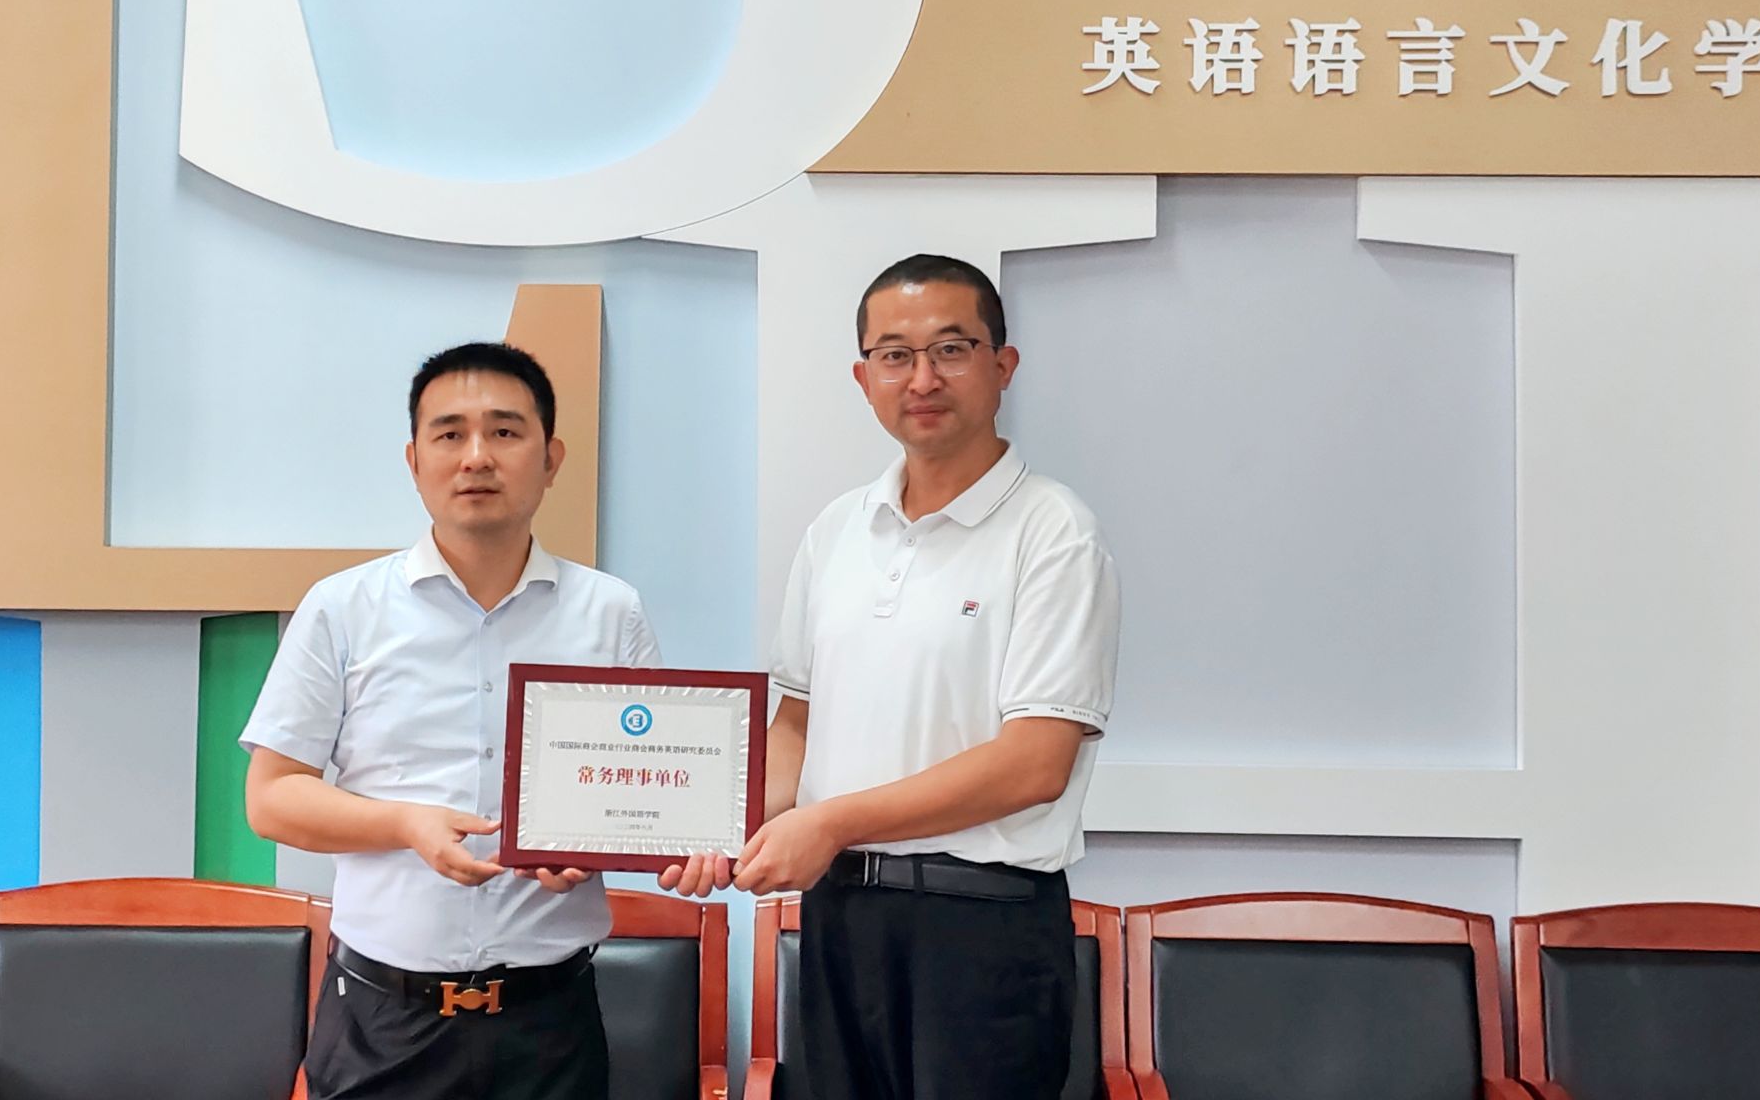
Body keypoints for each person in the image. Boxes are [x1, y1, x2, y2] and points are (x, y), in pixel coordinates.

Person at [663, 253, 1122, 1100]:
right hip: (840, 919)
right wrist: (716, 827)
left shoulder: (1054, 531)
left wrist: (830, 822)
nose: (923, 378)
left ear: (1003, 365)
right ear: (863, 377)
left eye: (951, 349)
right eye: (895, 355)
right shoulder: (838, 530)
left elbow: (1035, 763)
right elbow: (797, 727)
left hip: (983, 929)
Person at [244, 342, 661, 1100]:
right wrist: (405, 824)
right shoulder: (342, 608)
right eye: (449, 434)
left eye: (504, 431)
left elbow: (637, 788)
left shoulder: (611, 613)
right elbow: (272, 798)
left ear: (551, 458)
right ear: (414, 461)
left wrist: (589, 849)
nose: (476, 457)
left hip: (550, 1022)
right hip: (382, 1022)